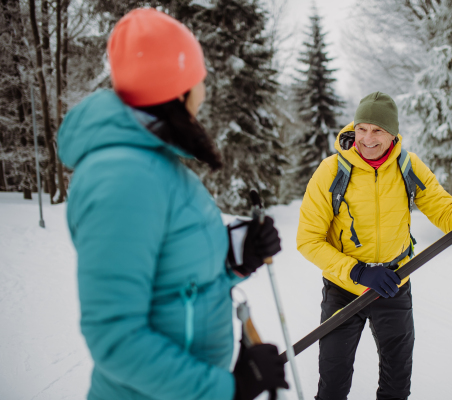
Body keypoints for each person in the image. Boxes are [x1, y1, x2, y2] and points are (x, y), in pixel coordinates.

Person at [58, 9, 287, 400]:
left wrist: (234, 259)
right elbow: (115, 337)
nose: (204, 91)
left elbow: (176, 283)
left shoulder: (158, 166)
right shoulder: (124, 178)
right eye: (199, 79)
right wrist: (228, 389)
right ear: (177, 86)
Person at [296, 92, 452, 400]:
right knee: (332, 386)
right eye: (362, 128)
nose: (367, 138)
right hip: (343, 290)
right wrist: (357, 272)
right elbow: (308, 240)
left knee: (397, 386)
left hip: (394, 286)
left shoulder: (409, 168)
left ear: (393, 134)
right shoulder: (331, 172)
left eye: (377, 130)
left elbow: (448, 215)